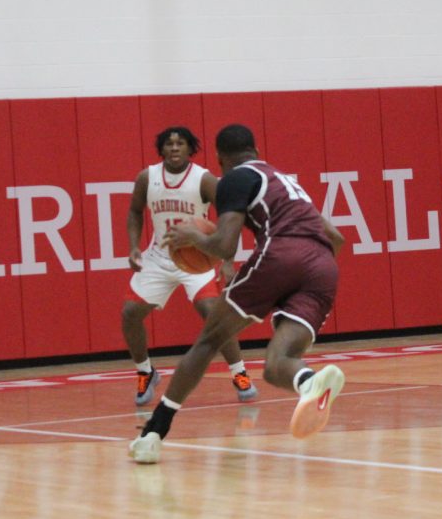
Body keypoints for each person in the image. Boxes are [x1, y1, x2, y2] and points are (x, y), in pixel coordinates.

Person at [128, 123, 347, 463]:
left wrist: (193, 238)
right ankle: (310, 382)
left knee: (208, 341)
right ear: (256, 151)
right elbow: (336, 237)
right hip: (323, 267)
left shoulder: (235, 178)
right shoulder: (284, 180)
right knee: (277, 365)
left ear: (219, 158)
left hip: (281, 254)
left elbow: (224, 244)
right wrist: (306, 270)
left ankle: (154, 432)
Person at [122, 126, 257, 406]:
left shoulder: (204, 180)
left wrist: (227, 260)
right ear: (161, 149)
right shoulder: (147, 177)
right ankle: (145, 372)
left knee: (213, 315)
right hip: (160, 257)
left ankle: (239, 372)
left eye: (180, 143)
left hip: (198, 257)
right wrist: (134, 247)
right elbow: (135, 211)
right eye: (169, 144)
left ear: (189, 148)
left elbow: (231, 217)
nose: (174, 148)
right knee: (130, 313)